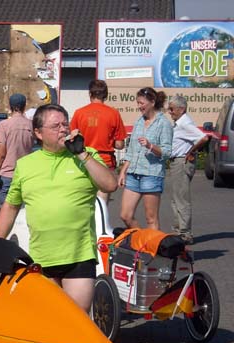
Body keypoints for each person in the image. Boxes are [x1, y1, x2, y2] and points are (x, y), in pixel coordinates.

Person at [0, 104, 117, 312]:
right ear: (38, 133)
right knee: (49, 319)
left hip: (78, 255)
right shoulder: (26, 164)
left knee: (76, 319)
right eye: (55, 126)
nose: (63, 129)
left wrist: (82, 154)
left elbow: (110, 185)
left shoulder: (86, 156)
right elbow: (10, 207)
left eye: (65, 124)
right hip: (42, 257)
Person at [118, 87, 173, 231]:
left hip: (151, 174)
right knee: (125, 215)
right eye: (138, 103)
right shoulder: (139, 122)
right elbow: (131, 150)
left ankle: (151, 250)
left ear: (152, 102)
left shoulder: (163, 123)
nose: (139, 106)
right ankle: (141, 241)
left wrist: (150, 146)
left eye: (142, 103)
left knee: (151, 218)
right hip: (133, 173)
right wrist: (123, 171)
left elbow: (167, 152)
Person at [70, 79, 126, 203]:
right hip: (105, 161)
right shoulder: (113, 113)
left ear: (90, 94)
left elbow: (72, 137)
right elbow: (120, 144)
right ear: (105, 95)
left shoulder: (79, 113)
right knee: (101, 206)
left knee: (82, 202)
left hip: (83, 160)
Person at [167, 94, 209, 245]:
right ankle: (179, 229)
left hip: (181, 162)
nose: (169, 111)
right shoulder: (180, 123)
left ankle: (185, 233)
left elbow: (203, 138)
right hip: (176, 161)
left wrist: (191, 151)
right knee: (176, 198)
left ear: (181, 109)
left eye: (171, 109)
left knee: (181, 198)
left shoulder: (185, 123)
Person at [0, 93, 34, 205]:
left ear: (10, 106)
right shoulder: (31, 125)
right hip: (27, 175)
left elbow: (0, 154)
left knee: (6, 215)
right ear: (24, 106)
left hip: (8, 176)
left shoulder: (4, 125)